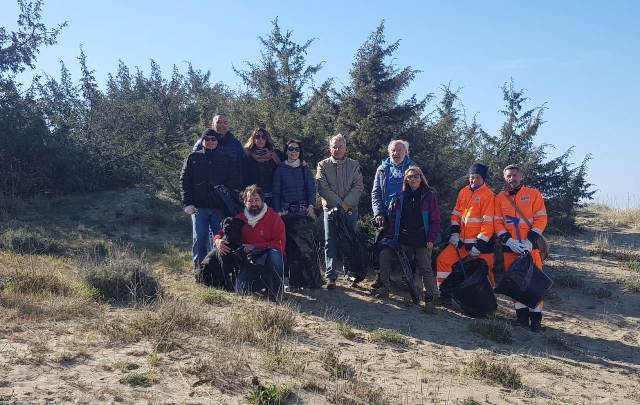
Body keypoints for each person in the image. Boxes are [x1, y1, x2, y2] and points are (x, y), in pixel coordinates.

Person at [374, 166, 441, 312]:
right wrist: (390, 237)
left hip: (422, 239)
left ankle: (430, 299)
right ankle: (384, 288)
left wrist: (431, 239)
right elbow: (394, 219)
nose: (413, 179)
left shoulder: (429, 196)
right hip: (402, 238)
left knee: (425, 267)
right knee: (384, 254)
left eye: (416, 176)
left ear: (421, 177)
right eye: (410, 177)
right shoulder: (401, 196)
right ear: (406, 179)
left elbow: (435, 220)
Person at [494, 164, 548, 332]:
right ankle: (521, 318)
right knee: (516, 284)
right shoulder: (500, 198)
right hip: (510, 248)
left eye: (515, 175)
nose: (512, 178)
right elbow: (497, 222)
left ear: (521, 176)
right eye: (509, 175)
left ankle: (536, 321)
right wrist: (507, 240)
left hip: (530, 247)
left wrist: (530, 240)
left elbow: (541, 219)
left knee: (534, 283)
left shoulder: (533, 194)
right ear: (505, 177)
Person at [180, 129, 240, 277]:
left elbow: (233, 181)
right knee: (199, 239)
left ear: (217, 141)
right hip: (198, 207)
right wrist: (187, 202)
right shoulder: (193, 157)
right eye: (207, 138)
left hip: (218, 208)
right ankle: (199, 271)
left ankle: (217, 271)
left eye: (214, 139)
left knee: (218, 240)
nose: (210, 141)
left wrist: (224, 193)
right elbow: (184, 181)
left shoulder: (226, 159)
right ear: (202, 140)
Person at [213, 185, 286, 300]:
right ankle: (265, 281)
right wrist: (217, 241)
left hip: (268, 257)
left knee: (275, 254)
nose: (254, 203)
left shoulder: (274, 218)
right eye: (250, 201)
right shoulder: (240, 218)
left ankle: (277, 288)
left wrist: (255, 246)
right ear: (245, 203)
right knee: (240, 289)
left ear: (262, 201)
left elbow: (280, 243)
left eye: (256, 200)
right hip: (250, 261)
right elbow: (221, 233)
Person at [436, 163, 496, 302]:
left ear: (484, 179)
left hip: (480, 245)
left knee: (485, 273)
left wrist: (479, 245)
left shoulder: (488, 195)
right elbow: (456, 214)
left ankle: (487, 301)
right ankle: (444, 294)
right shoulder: (463, 191)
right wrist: (455, 233)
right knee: (443, 261)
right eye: (471, 177)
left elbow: (488, 223)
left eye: (477, 177)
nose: (473, 180)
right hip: (461, 243)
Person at [316, 134, 364, 289]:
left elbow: (358, 187)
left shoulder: (354, 164)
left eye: (340, 146)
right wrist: (338, 204)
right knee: (330, 242)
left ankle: (350, 273)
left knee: (349, 241)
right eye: (334, 147)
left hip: (350, 210)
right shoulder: (322, 165)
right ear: (330, 148)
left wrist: (345, 205)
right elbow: (322, 187)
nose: (337, 149)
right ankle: (331, 276)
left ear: (345, 148)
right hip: (330, 210)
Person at [273, 139, 322, 290]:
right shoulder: (280, 170)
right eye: (290, 149)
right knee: (289, 249)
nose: (293, 152)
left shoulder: (304, 169)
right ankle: (291, 281)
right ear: (286, 151)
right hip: (286, 214)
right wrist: (277, 211)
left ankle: (309, 281)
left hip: (303, 213)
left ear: (300, 152)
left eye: (296, 149)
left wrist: (311, 206)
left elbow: (311, 190)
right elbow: (276, 192)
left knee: (306, 249)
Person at [371, 140, 416, 227]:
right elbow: (376, 193)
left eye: (399, 150)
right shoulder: (382, 169)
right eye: (393, 150)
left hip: (407, 213)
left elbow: (418, 191)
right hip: (386, 214)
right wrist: (378, 213)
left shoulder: (413, 168)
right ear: (389, 152)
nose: (396, 153)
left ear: (406, 152)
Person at [192, 113, 244, 185]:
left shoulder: (236, 144)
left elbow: (240, 169)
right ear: (213, 125)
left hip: (229, 190)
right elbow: (193, 171)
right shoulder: (201, 143)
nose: (222, 125)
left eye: (225, 123)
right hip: (205, 190)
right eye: (219, 122)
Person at [241, 127, 282, 206]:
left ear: (267, 139)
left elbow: (287, 166)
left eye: (263, 137)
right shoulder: (246, 155)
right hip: (254, 197)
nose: (260, 139)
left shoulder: (276, 155)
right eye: (257, 137)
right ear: (253, 139)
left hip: (272, 196)